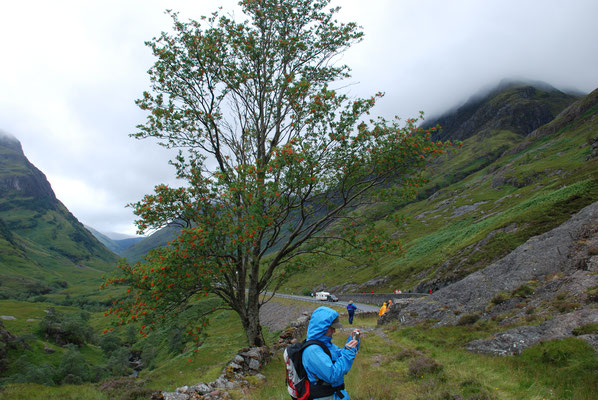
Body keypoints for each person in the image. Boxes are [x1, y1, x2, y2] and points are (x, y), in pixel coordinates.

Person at [302, 306, 360, 400]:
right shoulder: (313, 351)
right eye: (332, 328)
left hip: (336, 395)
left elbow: (339, 355)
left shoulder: (325, 344)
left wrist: (352, 343)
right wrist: (348, 352)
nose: (334, 330)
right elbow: (332, 375)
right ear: (322, 328)